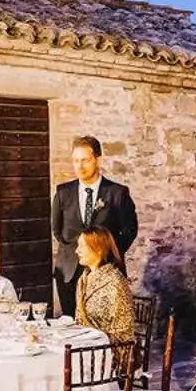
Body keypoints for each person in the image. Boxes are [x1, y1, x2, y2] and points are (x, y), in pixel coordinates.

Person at [51, 135, 138, 320]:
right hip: (69, 273)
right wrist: (76, 251)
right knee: (72, 326)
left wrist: (106, 253)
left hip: (105, 272)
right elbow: (57, 230)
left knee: (104, 325)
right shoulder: (63, 193)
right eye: (75, 161)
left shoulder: (117, 193)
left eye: (85, 160)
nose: (80, 166)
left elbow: (130, 230)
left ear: (98, 159)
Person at [72, 228, 137, 348]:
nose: (77, 251)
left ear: (98, 249)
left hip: (110, 351)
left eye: (82, 246)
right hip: (86, 344)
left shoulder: (115, 282)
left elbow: (124, 333)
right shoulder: (84, 278)